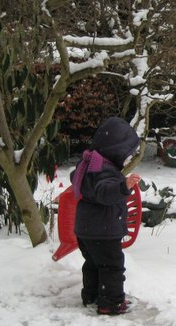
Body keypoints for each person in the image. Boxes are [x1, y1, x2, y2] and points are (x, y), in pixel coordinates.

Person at [70, 117, 141, 315]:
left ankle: (91, 296)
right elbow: (103, 191)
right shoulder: (103, 170)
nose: (128, 157)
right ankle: (111, 303)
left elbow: (90, 187)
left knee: (93, 264)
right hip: (103, 231)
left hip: (86, 230)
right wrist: (123, 186)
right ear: (116, 149)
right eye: (127, 152)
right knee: (112, 267)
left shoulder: (87, 165)